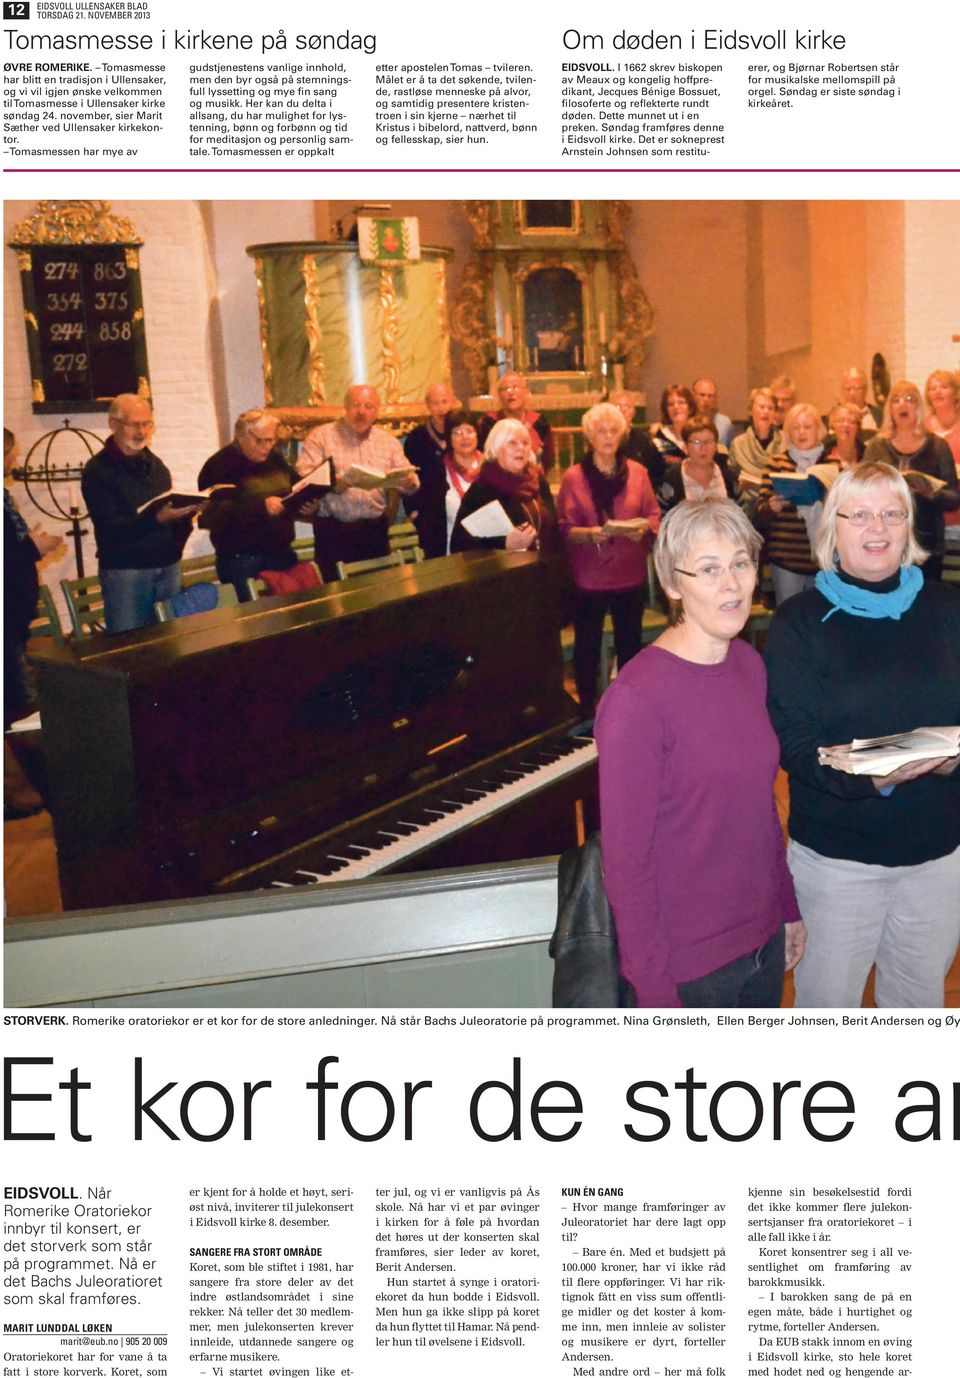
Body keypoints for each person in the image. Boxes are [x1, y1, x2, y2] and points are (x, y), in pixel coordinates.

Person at [595, 498, 805, 1008]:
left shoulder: (748, 666)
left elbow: (760, 809)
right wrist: (652, 989)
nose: (732, 584)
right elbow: (625, 863)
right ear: (672, 584)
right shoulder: (635, 701)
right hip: (688, 966)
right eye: (709, 569)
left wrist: (787, 906)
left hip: (762, 941)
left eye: (740, 563)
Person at [764, 462, 960, 1008]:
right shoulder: (798, 622)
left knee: (918, 1014)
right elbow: (796, 746)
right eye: (862, 515)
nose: (879, 528)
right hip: (837, 864)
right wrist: (880, 773)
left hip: (939, 859)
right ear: (834, 528)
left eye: (892, 514)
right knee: (827, 1024)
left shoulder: (950, 610)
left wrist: (948, 759)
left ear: (909, 526)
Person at [557, 402, 660, 722]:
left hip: (629, 574)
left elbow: (654, 514)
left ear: (622, 435)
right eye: (600, 430)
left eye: (613, 430)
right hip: (590, 576)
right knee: (587, 644)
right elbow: (563, 528)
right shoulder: (574, 477)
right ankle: (587, 705)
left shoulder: (638, 473)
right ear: (589, 436)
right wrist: (589, 534)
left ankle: (628, 706)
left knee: (630, 645)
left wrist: (642, 527)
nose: (607, 436)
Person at [80, 394, 198, 633]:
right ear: (114, 425)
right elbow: (110, 529)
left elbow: (168, 513)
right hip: (127, 572)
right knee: (130, 646)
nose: (142, 431)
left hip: (167, 565)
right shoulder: (98, 471)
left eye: (147, 424)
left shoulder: (155, 465)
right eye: (135, 425)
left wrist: (188, 513)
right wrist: (157, 519)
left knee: (171, 643)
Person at [297, 385, 420, 582]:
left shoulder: (388, 442)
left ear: (376, 412)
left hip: (374, 532)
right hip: (334, 532)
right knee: (338, 599)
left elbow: (408, 478)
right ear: (345, 407)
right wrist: (332, 483)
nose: (361, 412)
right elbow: (304, 474)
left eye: (368, 406)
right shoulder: (321, 436)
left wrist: (409, 482)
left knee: (377, 593)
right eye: (356, 405)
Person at [197, 408, 301, 599]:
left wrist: (305, 505)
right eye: (260, 440)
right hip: (242, 561)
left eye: (271, 440)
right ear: (240, 435)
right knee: (256, 623)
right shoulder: (219, 465)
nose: (267, 447)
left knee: (293, 616)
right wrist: (261, 508)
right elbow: (214, 515)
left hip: (281, 553)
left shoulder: (275, 459)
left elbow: (295, 490)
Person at [864, 380, 959, 581]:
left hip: (927, 542)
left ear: (919, 407)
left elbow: (954, 498)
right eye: (896, 400)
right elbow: (861, 490)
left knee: (925, 607)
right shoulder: (876, 446)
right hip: (884, 540)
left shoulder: (937, 446)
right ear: (889, 409)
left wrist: (929, 492)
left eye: (910, 399)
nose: (903, 405)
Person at [449, 418, 559, 556]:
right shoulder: (482, 489)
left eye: (525, 443)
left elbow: (555, 530)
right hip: (503, 573)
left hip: (545, 570)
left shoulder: (538, 481)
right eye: (512, 443)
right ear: (496, 448)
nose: (520, 448)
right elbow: (458, 544)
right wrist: (504, 543)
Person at [754, 402, 828, 605]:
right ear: (788, 433)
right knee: (788, 618)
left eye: (807, 427)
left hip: (822, 561)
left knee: (819, 621)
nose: (802, 432)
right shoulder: (776, 463)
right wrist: (771, 506)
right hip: (786, 560)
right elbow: (760, 511)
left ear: (819, 430)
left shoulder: (830, 464)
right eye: (796, 428)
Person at [404, 408, 482, 558]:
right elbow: (428, 519)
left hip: (489, 550)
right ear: (448, 438)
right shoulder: (436, 471)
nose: (465, 437)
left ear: (477, 435)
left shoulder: (490, 468)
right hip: (448, 553)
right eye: (457, 433)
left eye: (469, 431)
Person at [475, 371, 554, 472]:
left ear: (526, 392)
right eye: (505, 389)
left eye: (515, 387)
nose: (510, 393)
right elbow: (483, 456)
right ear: (498, 395)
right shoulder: (488, 423)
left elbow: (547, 459)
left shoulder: (540, 422)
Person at [657, 415, 738, 513]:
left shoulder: (730, 478)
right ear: (686, 447)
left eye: (708, 442)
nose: (703, 448)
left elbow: (742, 518)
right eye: (696, 442)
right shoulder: (672, 478)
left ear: (716, 446)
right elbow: (663, 518)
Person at [925, 369, 960, 541]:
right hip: (928, 516)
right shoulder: (921, 428)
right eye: (933, 388)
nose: (937, 391)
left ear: (956, 393)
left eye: (943, 387)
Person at [728, 386, 782, 491]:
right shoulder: (738, 444)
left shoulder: (786, 441)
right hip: (746, 503)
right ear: (750, 411)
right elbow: (732, 481)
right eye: (761, 407)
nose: (766, 412)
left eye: (771, 408)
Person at [609, 390, 665, 489]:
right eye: (617, 406)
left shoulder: (643, 441)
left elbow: (655, 472)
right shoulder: (603, 440)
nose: (622, 410)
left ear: (633, 412)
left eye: (627, 407)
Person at [402, 382, 459, 478]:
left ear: (453, 403)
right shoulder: (416, 437)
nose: (441, 408)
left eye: (445, 402)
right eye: (435, 403)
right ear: (428, 405)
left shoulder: (463, 433)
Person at [649, 384, 697, 462]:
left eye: (681, 402)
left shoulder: (701, 435)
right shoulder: (659, 439)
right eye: (671, 404)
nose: (676, 407)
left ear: (690, 407)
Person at [691, 376, 734, 448]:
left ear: (715, 399)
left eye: (710, 396)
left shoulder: (724, 423)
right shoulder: (686, 421)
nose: (706, 399)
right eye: (702, 395)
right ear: (693, 396)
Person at [836, 366, 882, 433]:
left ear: (865, 389)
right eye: (848, 389)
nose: (852, 393)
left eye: (857, 388)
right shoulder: (835, 418)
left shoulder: (879, 416)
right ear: (842, 391)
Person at [824, 401, 865, 468]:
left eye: (851, 421)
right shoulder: (823, 453)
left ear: (858, 427)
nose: (845, 425)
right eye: (841, 420)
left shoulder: (866, 453)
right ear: (833, 425)